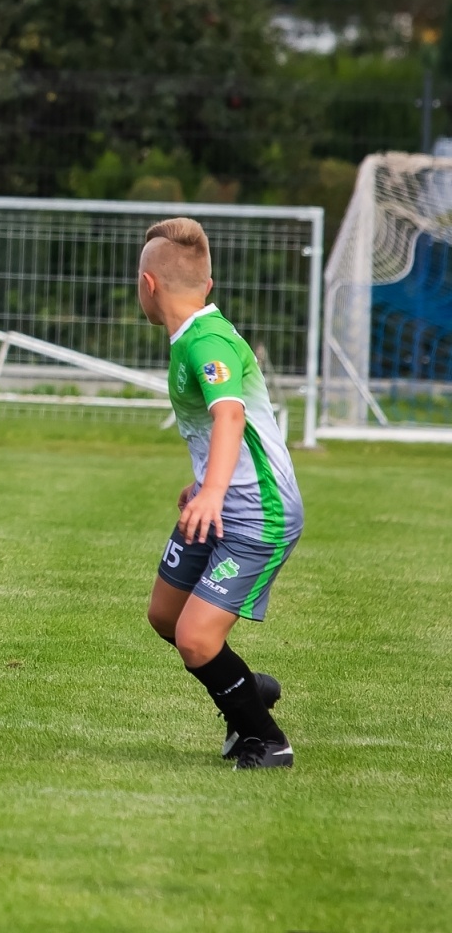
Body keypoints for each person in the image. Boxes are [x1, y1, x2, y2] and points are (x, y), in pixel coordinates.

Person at [137, 218, 303, 770]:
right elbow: (228, 429)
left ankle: (266, 741)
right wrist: (206, 484)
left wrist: (213, 492)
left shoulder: (206, 342)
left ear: (148, 285)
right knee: (166, 615)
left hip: (258, 515)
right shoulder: (193, 336)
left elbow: (230, 413)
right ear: (206, 285)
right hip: (222, 502)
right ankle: (242, 688)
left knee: (196, 640)